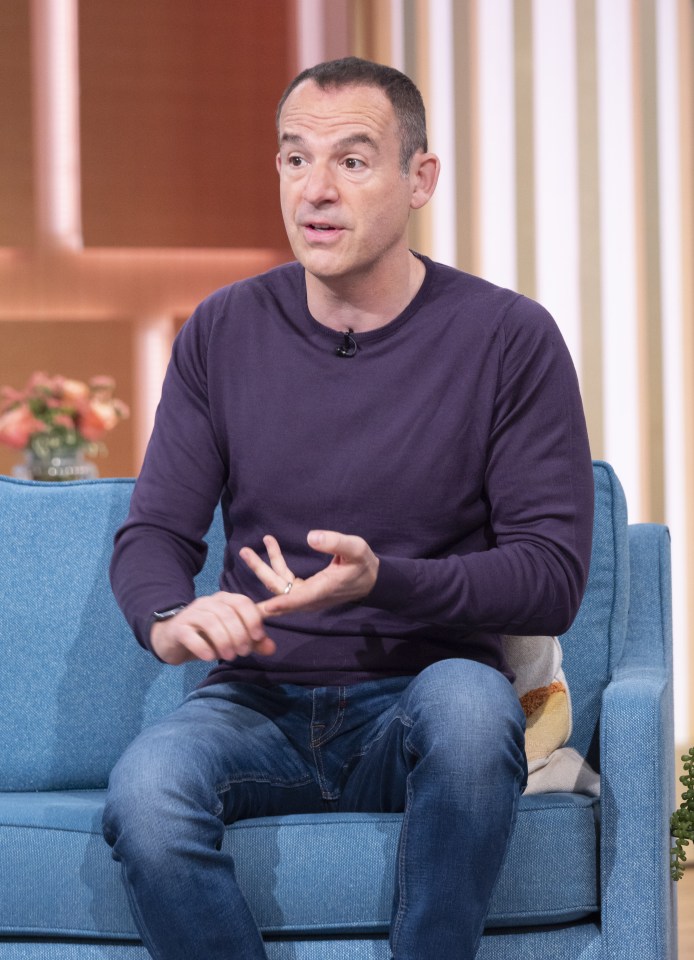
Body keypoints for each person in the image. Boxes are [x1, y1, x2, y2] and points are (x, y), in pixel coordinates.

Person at [103, 56, 594, 960]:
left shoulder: (508, 338)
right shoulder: (222, 330)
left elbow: (551, 579)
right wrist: (169, 618)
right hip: (257, 702)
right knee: (144, 794)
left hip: (424, 689)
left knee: (473, 712)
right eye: (295, 159)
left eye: (353, 161)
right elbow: (155, 534)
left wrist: (381, 582)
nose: (315, 191)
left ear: (419, 178)